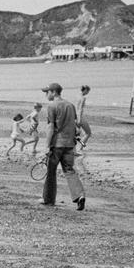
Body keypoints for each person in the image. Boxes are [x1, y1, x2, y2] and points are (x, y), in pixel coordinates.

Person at [40, 82, 86, 210]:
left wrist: (46, 146)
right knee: (69, 170)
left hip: (56, 144)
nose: (45, 94)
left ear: (54, 92)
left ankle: (48, 199)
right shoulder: (70, 105)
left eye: (47, 92)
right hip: (70, 144)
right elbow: (75, 125)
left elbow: (50, 127)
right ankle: (80, 196)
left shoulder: (52, 106)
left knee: (51, 171)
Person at [76, 85, 92, 150]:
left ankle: (75, 149)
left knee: (76, 134)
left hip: (75, 117)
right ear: (85, 90)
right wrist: (79, 119)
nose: (88, 93)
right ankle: (80, 148)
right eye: (88, 91)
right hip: (80, 117)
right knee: (88, 133)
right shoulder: (83, 98)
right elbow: (80, 109)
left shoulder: (77, 96)